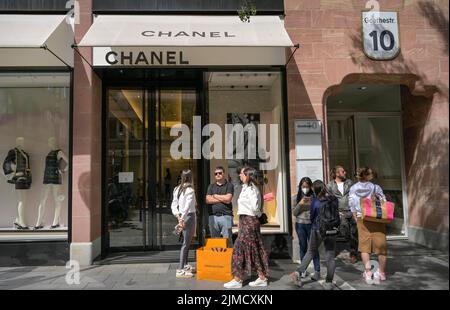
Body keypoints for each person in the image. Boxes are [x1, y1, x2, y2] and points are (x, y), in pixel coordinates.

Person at [224, 166, 269, 289]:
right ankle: (261, 277)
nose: (240, 175)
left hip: (250, 221)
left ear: (248, 175)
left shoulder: (252, 189)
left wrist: (258, 217)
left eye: (242, 174)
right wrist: (240, 220)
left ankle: (238, 279)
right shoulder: (246, 188)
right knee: (253, 248)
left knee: (240, 248)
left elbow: (255, 208)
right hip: (245, 220)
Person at [290, 180, 339, 290]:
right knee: (330, 256)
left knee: (311, 251)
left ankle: (298, 273)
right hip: (332, 230)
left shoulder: (316, 201)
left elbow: (312, 216)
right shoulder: (334, 199)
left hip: (317, 229)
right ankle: (329, 282)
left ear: (314, 189)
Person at [348, 167, 388, 285]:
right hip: (376, 219)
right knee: (381, 246)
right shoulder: (375, 187)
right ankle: (381, 272)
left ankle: (368, 272)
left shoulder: (353, 188)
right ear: (367, 176)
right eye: (371, 174)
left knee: (364, 247)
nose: (372, 175)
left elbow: (352, 204)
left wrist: (356, 217)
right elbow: (384, 201)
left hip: (362, 219)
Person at [327, 165, 358, 263]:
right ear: (337, 173)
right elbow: (329, 200)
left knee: (354, 233)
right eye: (343, 171)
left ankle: (353, 253)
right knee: (345, 232)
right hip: (340, 212)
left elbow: (355, 195)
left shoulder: (349, 183)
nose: (345, 173)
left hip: (351, 211)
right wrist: (335, 212)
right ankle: (347, 248)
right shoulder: (330, 185)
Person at [292, 177, 320, 280]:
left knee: (313, 248)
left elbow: (318, 211)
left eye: (307, 187)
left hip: (312, 225)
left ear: (310, 187)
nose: (305, 189)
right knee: (302, 246)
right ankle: (303, 270)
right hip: (300, 225)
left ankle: (317, 271)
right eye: (303, 187)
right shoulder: (296, 197)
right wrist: (301, 203)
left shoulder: (314, 197)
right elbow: (294, 213)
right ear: (300, 187)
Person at [171, 169, 197, 278]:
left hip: (182, 216)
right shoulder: (190, 190)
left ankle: (185, 265)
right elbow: (187, 207)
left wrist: (178, 216)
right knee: (186, 243)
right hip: (189, 217)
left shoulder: (176, 189)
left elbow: (173, 205)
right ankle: (180, 269)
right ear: (191, 177)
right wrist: (182, 219)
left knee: (187, 242)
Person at [205, 166, 234, 247]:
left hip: (226, 216)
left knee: (228, 241)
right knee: (215, 242)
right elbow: (208, 200)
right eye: (216, 173)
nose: (218, 175)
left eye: (220, 173)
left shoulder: (229, 185)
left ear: (224, 174)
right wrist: (222, 198)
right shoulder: (211, 186)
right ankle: (217, 259)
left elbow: (228, 199)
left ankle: (229, 259)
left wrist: (215, 196)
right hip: (213, 217)